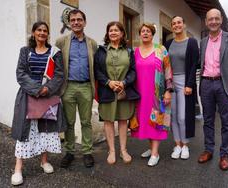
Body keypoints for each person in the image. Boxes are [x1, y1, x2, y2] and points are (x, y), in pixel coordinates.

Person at [11, 21, 66, 185]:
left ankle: (44, 161)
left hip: (47, 95)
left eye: (45, 30)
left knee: (45, 129)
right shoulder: (25, 51)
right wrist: (37, 89)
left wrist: (47, 89)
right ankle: (18, 168)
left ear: (47, 34)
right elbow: (20, 74)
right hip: (28, 95)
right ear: (34, 32)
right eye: (39, 30)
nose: (42, 33)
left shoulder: (54, 52)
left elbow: (59, 74)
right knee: (24, 131)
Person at [197, 9, 228, 170]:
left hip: (224, 84)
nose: (214, 22)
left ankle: (224, 155)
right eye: (211, 19)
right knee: (208, 120)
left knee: (227, 122)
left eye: (216, 18)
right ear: (206, 21)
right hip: (206, 84)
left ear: (221, 20)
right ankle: (208, 150)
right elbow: (198, 64)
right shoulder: (203, 42)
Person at [55, 9, 98, 168]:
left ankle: (87, 152)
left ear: (84, 22)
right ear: (69, 23)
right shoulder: (62, 42)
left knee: (86, 121)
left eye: (79, 19)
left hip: (86, 86)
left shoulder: (92, 43)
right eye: (73, 20)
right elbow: (55, 66)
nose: (76, 22)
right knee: (69, 122)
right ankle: (70, 152)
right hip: (68, 87)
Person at [94, 21, 139, 165]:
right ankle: (112, 150)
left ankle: (123, 150)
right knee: (108, 120)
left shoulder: (129, 51)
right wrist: (108, 82)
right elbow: (97, 71)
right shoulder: (101, 51)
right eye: (110, 30)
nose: (113, 32)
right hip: (107, 90)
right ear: (107, 33)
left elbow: (133, 71)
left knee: (123, 120)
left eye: (116, 30)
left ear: (122, 34)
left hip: (123, 91)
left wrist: (124, 82)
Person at [131, 23, 173, 167]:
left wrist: (168, 90)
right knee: (145, 121)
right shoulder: (135, 51)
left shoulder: (161, 49)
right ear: (139, 34)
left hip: (156, 94)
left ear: (152, 33)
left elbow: (168, 70)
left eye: (148, 31)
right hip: (140, 93)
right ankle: (151, 148)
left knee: (156, 121)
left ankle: (155, 153)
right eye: (142, 31)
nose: (145, 33)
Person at [164, 16, 199, 160]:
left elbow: (195, 65)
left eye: (179, 22)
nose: (176, 25)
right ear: (171, 27)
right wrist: (166, 86)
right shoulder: (168, 44)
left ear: (184, 25)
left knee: (183, 116)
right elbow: (164, 65)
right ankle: (177, 144)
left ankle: (185, 145)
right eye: (173, 23)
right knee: (173, 116)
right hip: (171, 82)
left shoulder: (191, 42)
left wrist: (189, 84)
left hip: (185, 82)